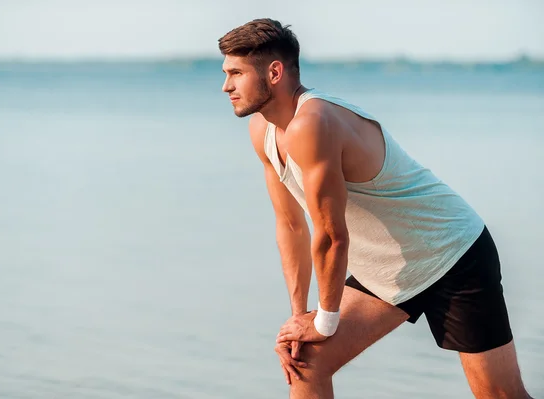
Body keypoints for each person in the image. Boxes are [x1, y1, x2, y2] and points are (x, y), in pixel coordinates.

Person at [217, 18, 533, 399]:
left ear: (274, 72)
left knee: (501, 395)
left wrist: (325, 322)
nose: (226, 85)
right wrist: (300, 318)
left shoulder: (313, 123)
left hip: (451, 254)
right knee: (306, 361)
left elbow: (332, 237)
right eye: (225, 73)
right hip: (387, 271)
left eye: (236, 73)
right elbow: (291, 225)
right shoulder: (262, 131)